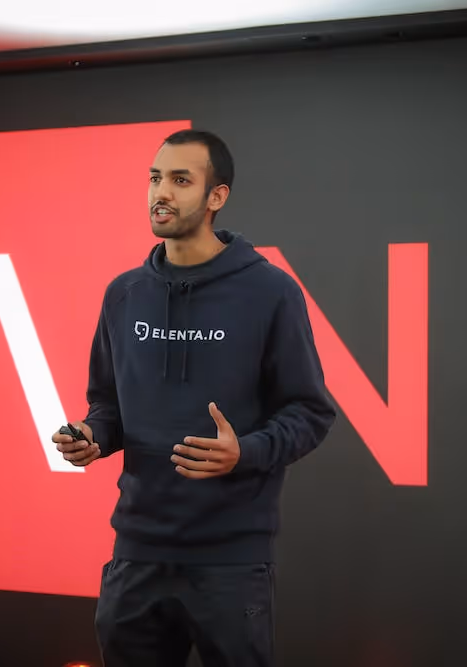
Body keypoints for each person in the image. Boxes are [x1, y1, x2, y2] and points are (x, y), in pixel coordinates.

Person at [53, 129, 336, 667]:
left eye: (181, 180)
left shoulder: (270, 292)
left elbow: (311, 411)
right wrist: (94, 435)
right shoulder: (124, 293)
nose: (162, 192)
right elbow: (107, 405)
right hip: (136, 553)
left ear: (216, 196)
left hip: (230, 561)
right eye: (156, 178)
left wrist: (245, 452)